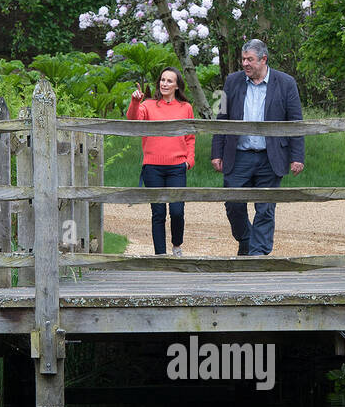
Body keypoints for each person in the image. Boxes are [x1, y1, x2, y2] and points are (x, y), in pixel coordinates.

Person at [210, 39, 305, 256]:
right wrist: (217, 151)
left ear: (263, 60)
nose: (245, 63)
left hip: (270, 157)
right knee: (233, 204)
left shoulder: (286, 83)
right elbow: (220, 118)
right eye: (243, 59)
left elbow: (296, 122)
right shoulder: (231, 82)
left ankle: (257, 256)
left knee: (265, 208)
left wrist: (297, 156)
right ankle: (246, 239)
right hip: (239, 155)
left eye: (250, 59)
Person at [127, 67, 195, 255]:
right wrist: (135, 101)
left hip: (177, 167)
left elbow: (190, 137)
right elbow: (133, 120)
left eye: (169, 81)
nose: (164, 84)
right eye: (162, 80)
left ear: (176, 86)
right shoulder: (148, 105)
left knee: (177, 211)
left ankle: (176, 245)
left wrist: (189, 160)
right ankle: (160, 255)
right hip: (153, 167)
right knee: (158, 213)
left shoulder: (185, 107)